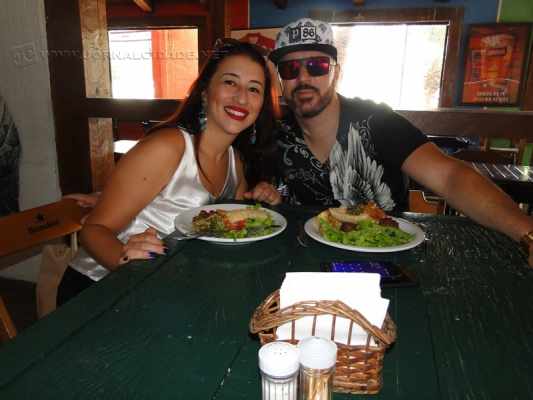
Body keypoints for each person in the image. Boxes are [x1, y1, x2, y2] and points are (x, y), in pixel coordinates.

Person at [267, 18, 533, 266]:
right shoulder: (276, 134)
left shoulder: (378, 122)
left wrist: (527, 233)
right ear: (280, 80)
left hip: (390, 264)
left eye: (317, 66)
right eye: (290, 69)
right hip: (308, 262)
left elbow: (450, 177)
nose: (303, 78)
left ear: (336, 73)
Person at [57, 39, 282, 305]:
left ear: (261, 105)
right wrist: (125, 262)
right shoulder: (167, 147)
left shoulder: (236, 162)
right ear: (205, 92)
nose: (242, 97)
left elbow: (234, 220)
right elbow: (93, 230)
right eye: (230, 82)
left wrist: (262, 196)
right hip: (100, 288)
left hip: (169, 287)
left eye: (254, 89)